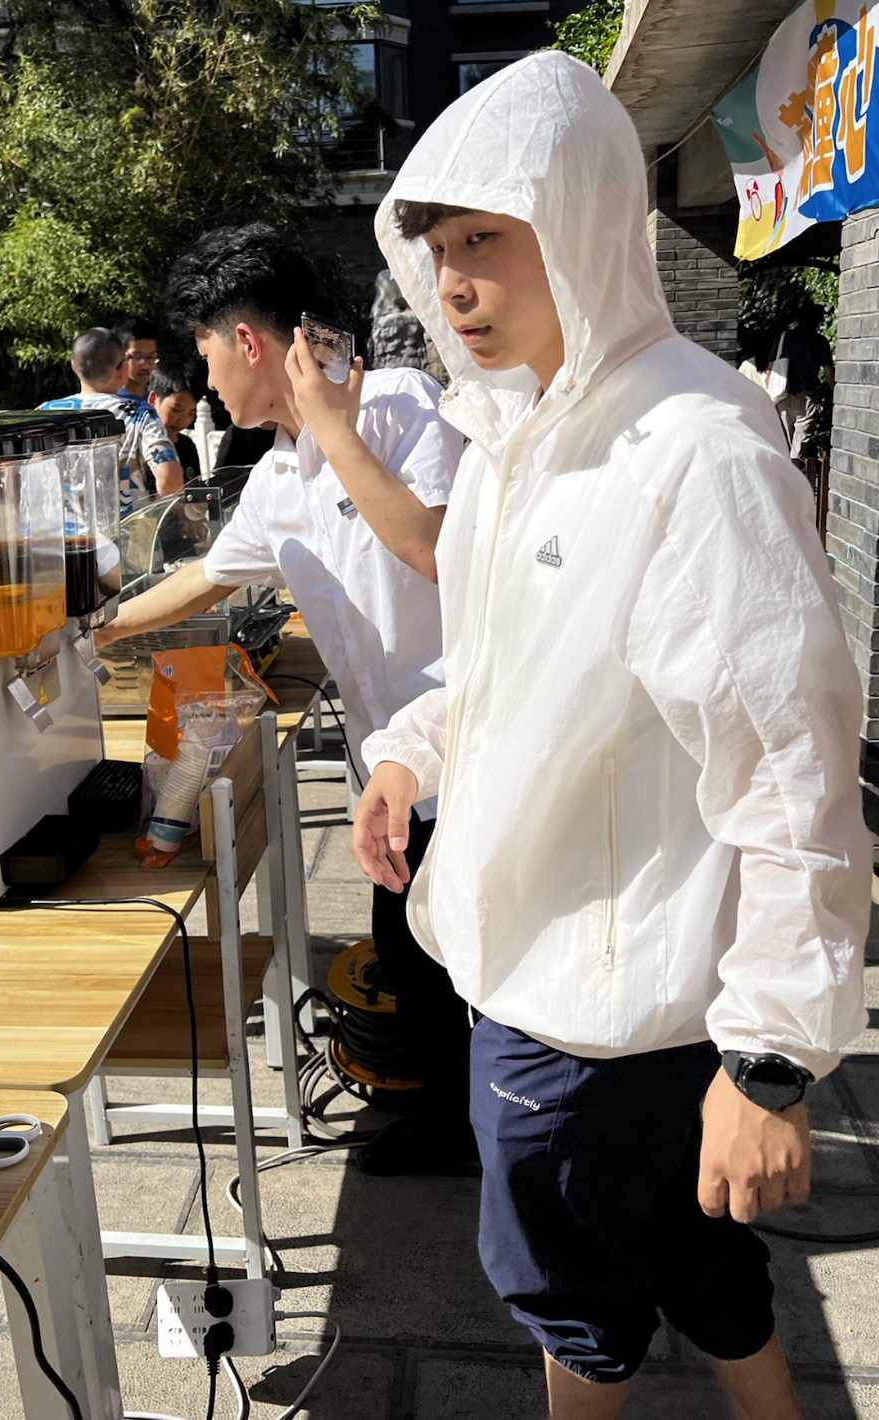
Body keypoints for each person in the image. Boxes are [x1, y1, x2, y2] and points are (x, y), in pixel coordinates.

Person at [350, 53, 870, 1418]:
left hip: (592, 1014)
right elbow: (501, 672)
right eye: (436, 247)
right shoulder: (516, 436)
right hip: (572, 983)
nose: (453, 282)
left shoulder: (692, 447)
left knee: (576, 1317)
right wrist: (410, 750)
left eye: (485, 239)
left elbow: (796, 769)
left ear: (578, 221)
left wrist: (770, 1058)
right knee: (703, 1269)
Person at [97, 222, 475, 1173]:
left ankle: (501, 1137)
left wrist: (335, 433)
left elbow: (436, 549)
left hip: (473, 744)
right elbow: (204, 580)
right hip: (393, 765)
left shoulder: (398, 407)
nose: (207, 380)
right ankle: (454, 1125)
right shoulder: (273, 477)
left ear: (248, 342)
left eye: (207, 354)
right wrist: (90, 631)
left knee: (475, 955)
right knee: (410, 945)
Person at [40, 327, 182, 517]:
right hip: (127, 530)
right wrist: (175, 513)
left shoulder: (44, 414)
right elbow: (168, 477)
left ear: (74, 366)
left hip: (61, 531)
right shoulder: (140, 414)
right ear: (122, 369)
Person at [766, 302, 835, 470]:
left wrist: (770, 393)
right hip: (807, 397)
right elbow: (829, 373)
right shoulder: (819, 341)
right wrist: (836, 394)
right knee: (800, 442)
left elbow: (770, 370)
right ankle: (794, 474)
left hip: (782, 395)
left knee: (784, 441)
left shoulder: (784, 338)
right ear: (818, 320)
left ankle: (784, 474)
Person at [147, 363, 202, 483]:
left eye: (191, 413)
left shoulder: (187, 446)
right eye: (176, 409)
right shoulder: (140, 445)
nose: (182, 419)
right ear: (153, 399)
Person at [114, 316, 160, 401]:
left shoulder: (159, 399)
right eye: (137, 357)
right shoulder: (111, 402)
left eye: (151, 357)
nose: (145, 366)